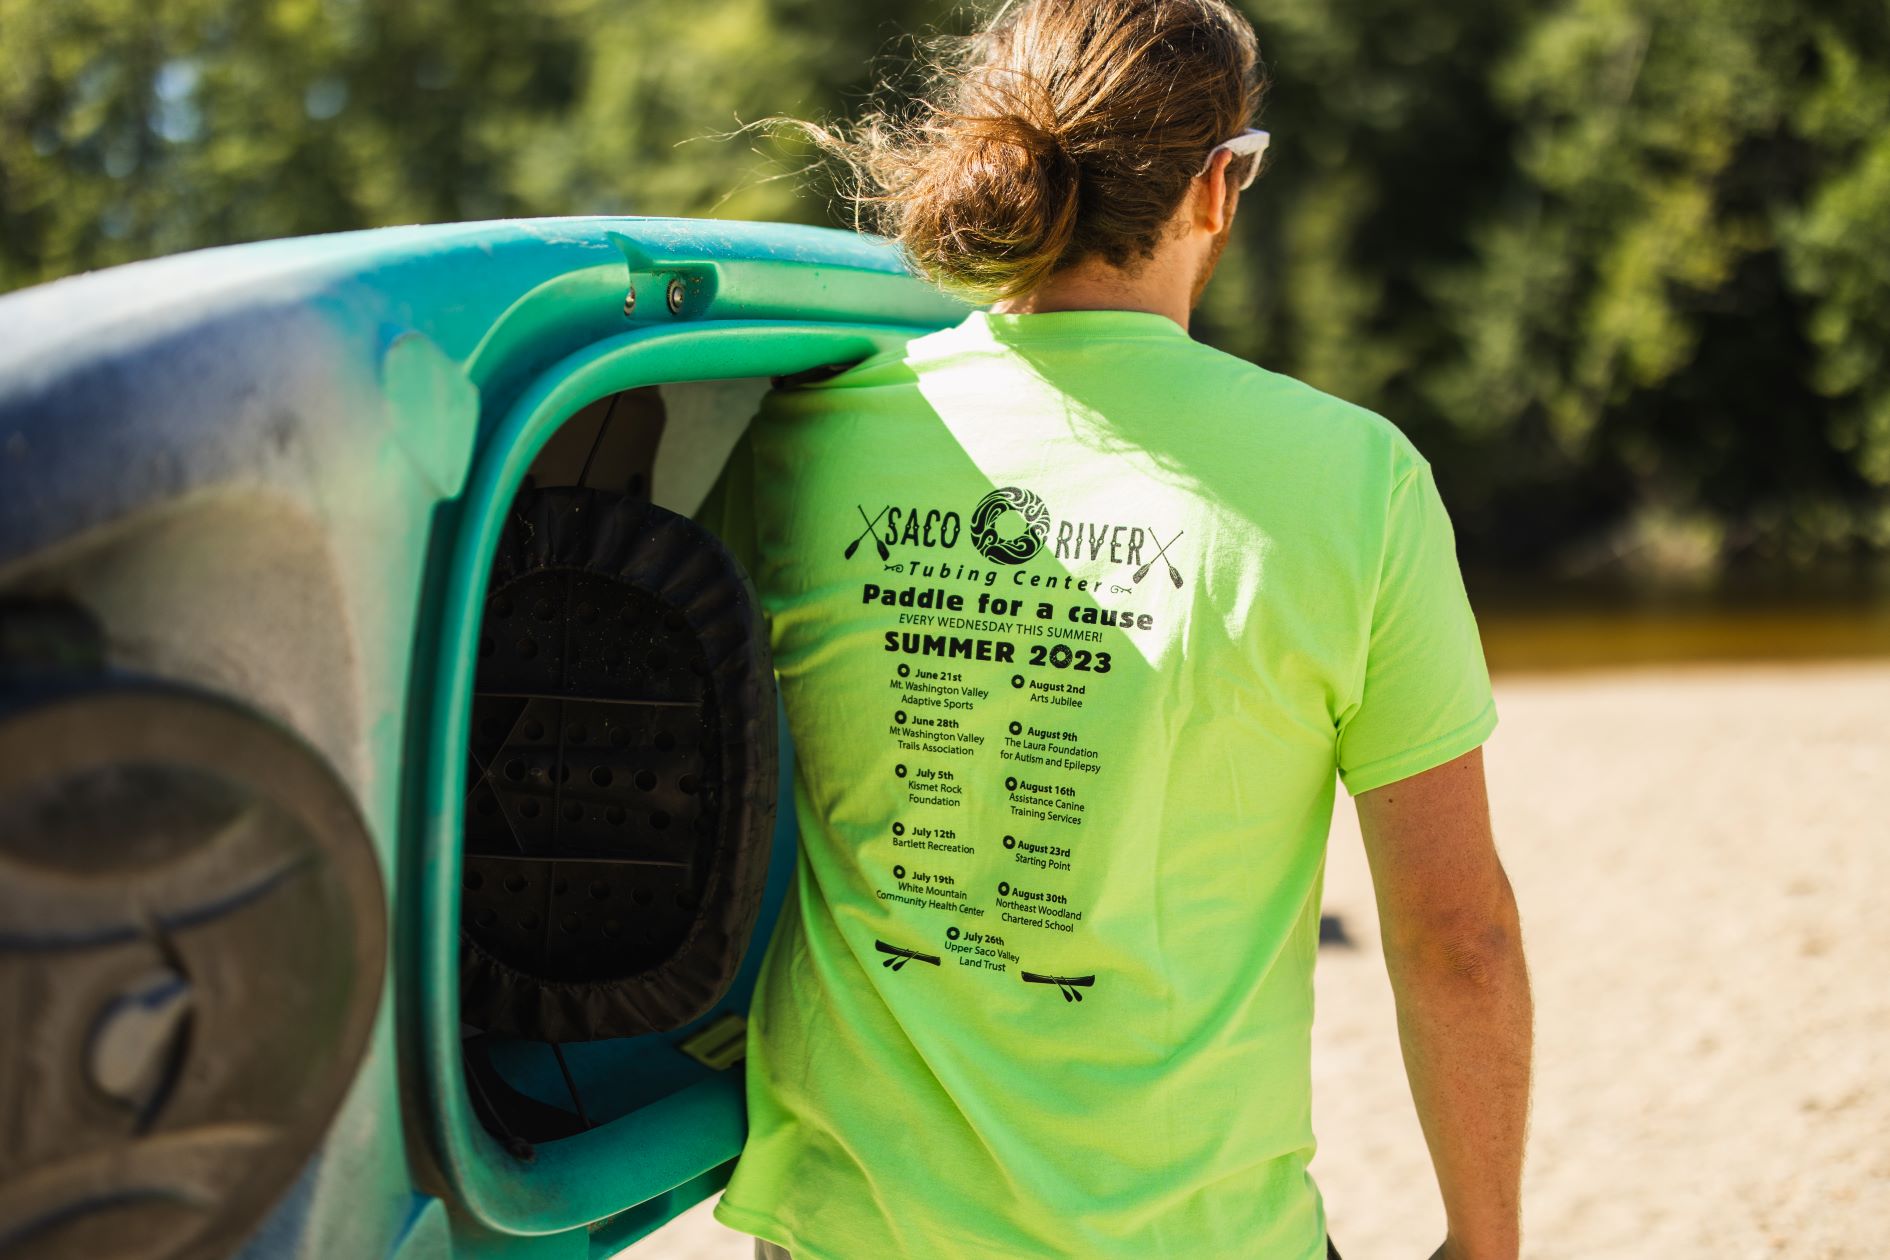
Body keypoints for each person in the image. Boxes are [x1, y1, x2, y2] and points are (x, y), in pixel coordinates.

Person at [699, 1, 1533, 1256]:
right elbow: (1456, 939)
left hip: (847, 1230)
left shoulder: (800, 441)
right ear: (1215, 189)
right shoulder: (1357, 481)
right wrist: (1483, 1241)